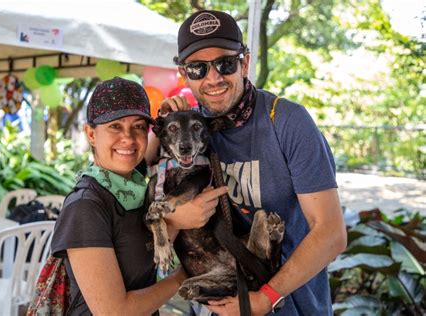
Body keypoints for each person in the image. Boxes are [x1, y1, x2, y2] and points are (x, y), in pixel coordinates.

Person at [149, 10, 347, 316]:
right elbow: (140, 171)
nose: (213, 78)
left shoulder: (287, 122)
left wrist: (264, 298)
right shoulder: (195, 127)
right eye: (198, 68)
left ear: (245, 63)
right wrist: (166, 124)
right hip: (214, 298)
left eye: (225, 64)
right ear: (185, 74)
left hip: (287, 305)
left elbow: (331, 233)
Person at [50, 77, 227, 315]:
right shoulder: (86, 206)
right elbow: (115, 312)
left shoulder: (135, 188)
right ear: (91, 134)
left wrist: (173, 121)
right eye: (115, 126)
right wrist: (184, 276)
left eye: (139, 127)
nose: (129, 138)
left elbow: (155, 149)